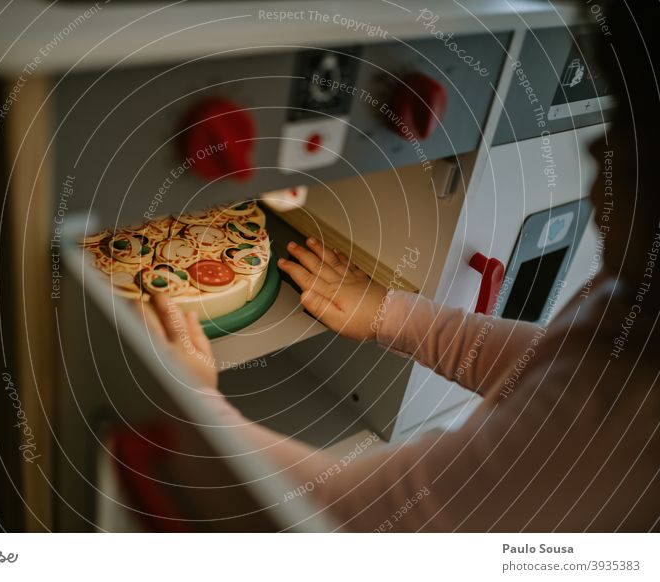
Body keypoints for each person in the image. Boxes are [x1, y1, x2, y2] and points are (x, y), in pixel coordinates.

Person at [143, 0, 660, 531]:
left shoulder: (633, 414)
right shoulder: (640, 295)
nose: (598, 145)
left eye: (629, 122)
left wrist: (195, 399)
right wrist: (395, 316)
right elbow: (567, 359)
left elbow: (342, 524)